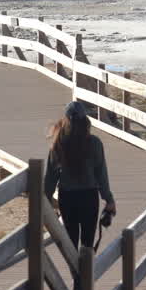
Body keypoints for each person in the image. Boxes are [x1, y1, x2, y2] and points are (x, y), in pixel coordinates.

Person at [44, 100, 116, 251]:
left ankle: (76, 275)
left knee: (71, 244)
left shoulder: (58, 144)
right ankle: (84, 274)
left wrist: (47, 200)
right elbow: (101, 174)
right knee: (88, 244)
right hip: (88, 197)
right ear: (85, 119)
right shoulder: (94, 143)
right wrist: (108, 199)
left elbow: (50, 177)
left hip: (67, 197)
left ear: (65, 120)